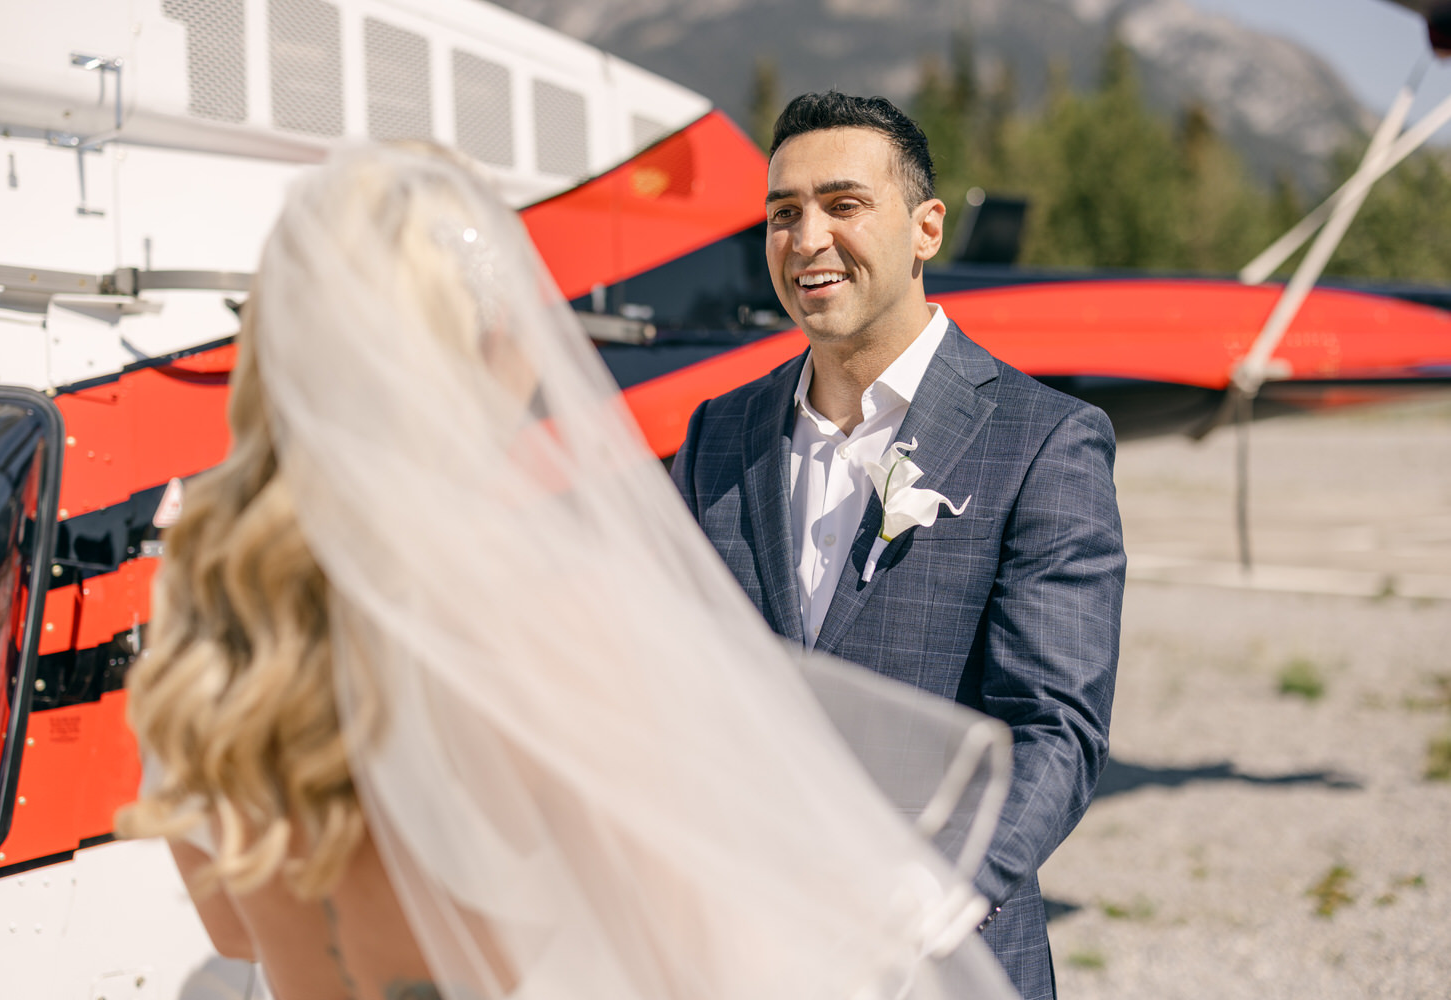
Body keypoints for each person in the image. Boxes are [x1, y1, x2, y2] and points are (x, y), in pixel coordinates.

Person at [119, 143, 1023, 1000]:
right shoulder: (543, 617)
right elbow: (705, 964)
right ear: (501, 350)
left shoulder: (212, 615)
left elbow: (234, 928)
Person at [670, 93, 1126, 999]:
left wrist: (923, 897)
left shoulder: (1044, 441)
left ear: (926, 229)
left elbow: (1056, 731)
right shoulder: (717, 436)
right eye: (783, 214)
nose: (806, 240)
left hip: (942, 962)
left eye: (843, 206)